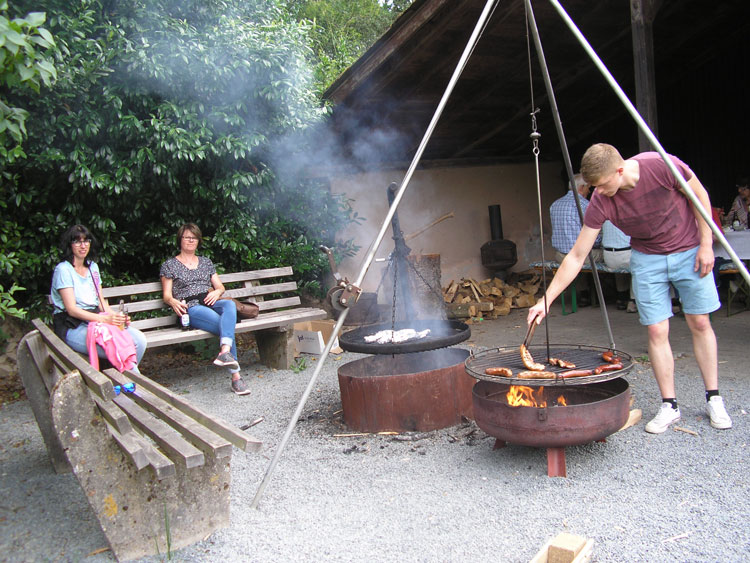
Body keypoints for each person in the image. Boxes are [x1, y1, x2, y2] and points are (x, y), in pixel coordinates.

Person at [528, 143, 732, 433]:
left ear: (620, 170)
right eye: (594, 186)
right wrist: (546, 301)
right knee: (656, 329)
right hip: (647, 257)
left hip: (688, 249)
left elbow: (699, 195)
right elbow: (576, 255)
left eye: (603, 184)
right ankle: (669, 405)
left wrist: (706, 243)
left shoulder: (661, 165)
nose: (599, 192)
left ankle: (714, 398)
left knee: (699, 322)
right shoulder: (601, 199)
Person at [160, 223, 250, 395]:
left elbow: (220, 287)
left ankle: (224, 352)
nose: (190, 240)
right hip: (191, 306)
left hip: (209, 300)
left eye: (194, 238)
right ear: (180, 240)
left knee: (229, 304)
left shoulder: (206, 262)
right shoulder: (170, 265)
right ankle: (236, 377)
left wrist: (217, 292)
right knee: (224, 326)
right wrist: (173, 302)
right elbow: (166, 295)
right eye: (187, 237)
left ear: (198, 241)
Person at [51, 225, 147, 372]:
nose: (83, 245)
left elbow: (101, 302)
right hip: (72, 325)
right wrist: (105, 320)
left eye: (86, 241)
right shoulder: (63, 270)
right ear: (69, 245)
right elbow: (72, 310)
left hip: (96, 321)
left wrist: (116, 317)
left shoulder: (92, 267)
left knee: (139, 340)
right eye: (77, 241)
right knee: (120, 350)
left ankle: (124, 384)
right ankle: (134, 388)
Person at [550, 173, 603, 306]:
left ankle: (584, 293)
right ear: (581, 187)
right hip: (579, 256)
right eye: (588, 188)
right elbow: (593, 238)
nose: (589, 191)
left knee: (578, 256)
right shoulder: (585, 205)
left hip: (560, 255)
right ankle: (617, 296)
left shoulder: (555, 204)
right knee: (607, 254)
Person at [601, 220, 637, 313]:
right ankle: (633, 301)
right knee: (638, 267)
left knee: (619, 269)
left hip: (608, 257)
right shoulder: (630, 215)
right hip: (626, 254)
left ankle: (621, 298)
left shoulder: (606, 216)